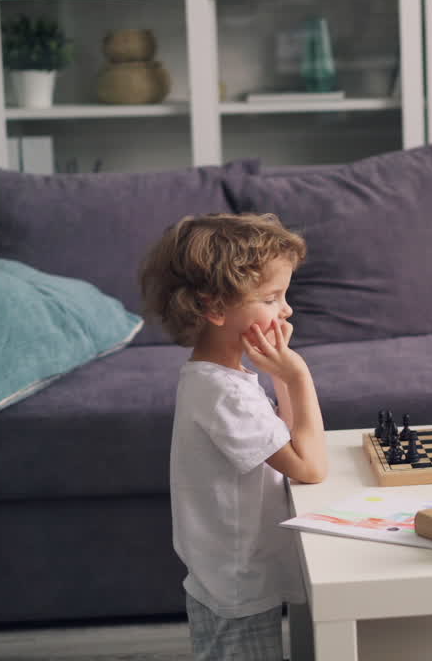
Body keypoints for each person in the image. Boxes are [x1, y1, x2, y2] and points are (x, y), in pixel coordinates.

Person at [139, 212, 328, 661]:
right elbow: (311, 466)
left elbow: (289, 439)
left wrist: (278, 374)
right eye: (271, 297)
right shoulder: (224, 395)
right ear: (214, 308)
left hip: (228, 572)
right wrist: (298, 375)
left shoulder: (220, 378)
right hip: (237, 580)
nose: (286, 309)